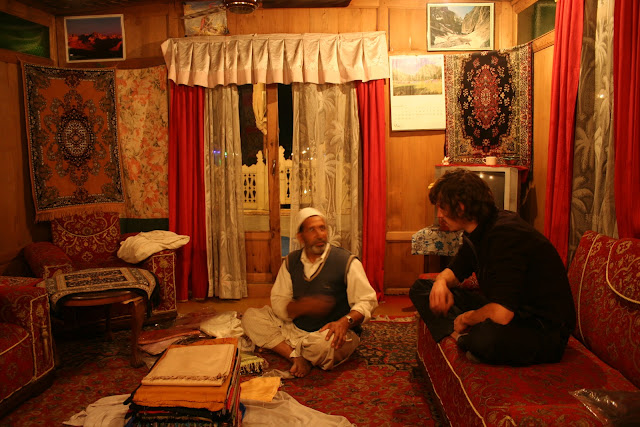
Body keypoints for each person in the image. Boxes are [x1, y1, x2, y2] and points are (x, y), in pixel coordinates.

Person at [409, 169, 576, 366]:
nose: (439, 215)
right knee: (421, 288)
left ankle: (466, 339)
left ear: (460, 207)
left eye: (442, 208)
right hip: (509, 310)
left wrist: (467, 318)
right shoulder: (477, 229)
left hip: (541, 328)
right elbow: (456, 269)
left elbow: (502, 314)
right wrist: (440, 282)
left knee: (486, 339)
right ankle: (460, 337)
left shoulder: (505, 235)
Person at [242, 207, 378, 378]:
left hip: (330, 334)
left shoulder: (346, 261)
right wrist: (301, 307)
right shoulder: (291, 261)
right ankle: (295, 356)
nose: (320, 234)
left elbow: (368, 301)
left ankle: (293, 350)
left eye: (322, 228)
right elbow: (278, 300)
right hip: (295, 328)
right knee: (251, 317)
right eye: (312, 230)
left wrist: (345, 321)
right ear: (301, 237)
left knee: (323, 347)